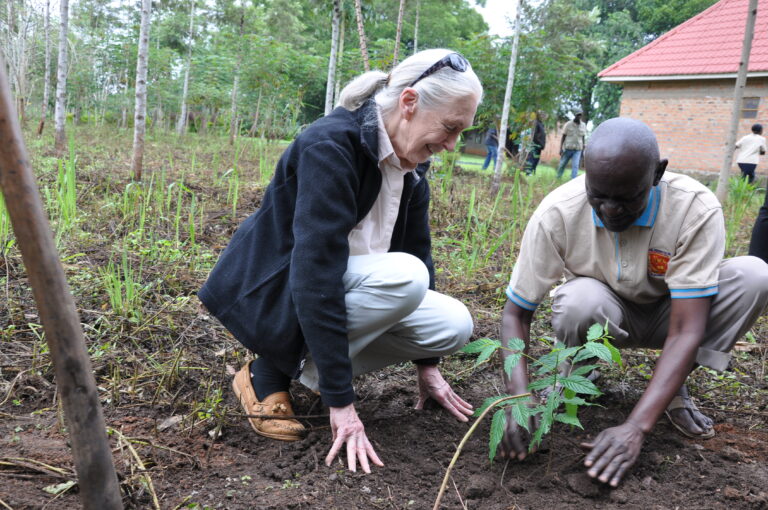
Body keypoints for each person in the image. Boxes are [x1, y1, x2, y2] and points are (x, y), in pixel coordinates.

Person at [198, 49, 482, 474]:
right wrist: (342, 404)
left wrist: (428, 367)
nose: (452, 144)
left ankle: (307, 369)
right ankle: (267, 373)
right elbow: (316, 274)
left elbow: (419, 251)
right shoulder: (330, 146)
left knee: (452, 324)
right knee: (406, 277)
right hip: (277, 294)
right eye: (450, 127)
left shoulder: (411, 169)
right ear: (409, 103)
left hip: (345, 287)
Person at [498, 117, 768, 487]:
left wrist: (636, 428)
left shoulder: (694, 208)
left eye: (627, 199)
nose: (610, 210)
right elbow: (516, 314)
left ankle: (671, 388)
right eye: (598, 196)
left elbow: (687, 328)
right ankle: (579, 372)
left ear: (657, 173)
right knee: (577, 299)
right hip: (603, 316)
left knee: (755, 275)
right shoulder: (558, 212)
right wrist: (518, 398)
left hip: (674, 317)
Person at [555, 108, 587, 179]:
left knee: (575, 166)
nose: (579, 116)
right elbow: (563, 137)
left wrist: (583, 149)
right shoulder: (568, 124)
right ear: (575, 115)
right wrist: (561, 148)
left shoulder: (583, 125)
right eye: (577, 115)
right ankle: (558, 177)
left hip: (578, 149)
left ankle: (573, 180)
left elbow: (583, 137)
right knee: (562, 164)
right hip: (568, 149)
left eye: (580, 115)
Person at [523, 111, 547, 175]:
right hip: (535, 144)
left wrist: (542, 144)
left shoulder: (541, 124)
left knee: (536, 159)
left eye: (544, 116)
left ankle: (532, 172)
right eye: (542, 115)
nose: (544, 117)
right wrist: (538, 143)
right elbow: (534, 135)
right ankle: (528, 173)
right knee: (531, 158)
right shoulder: (536, 123)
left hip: (539, 145)